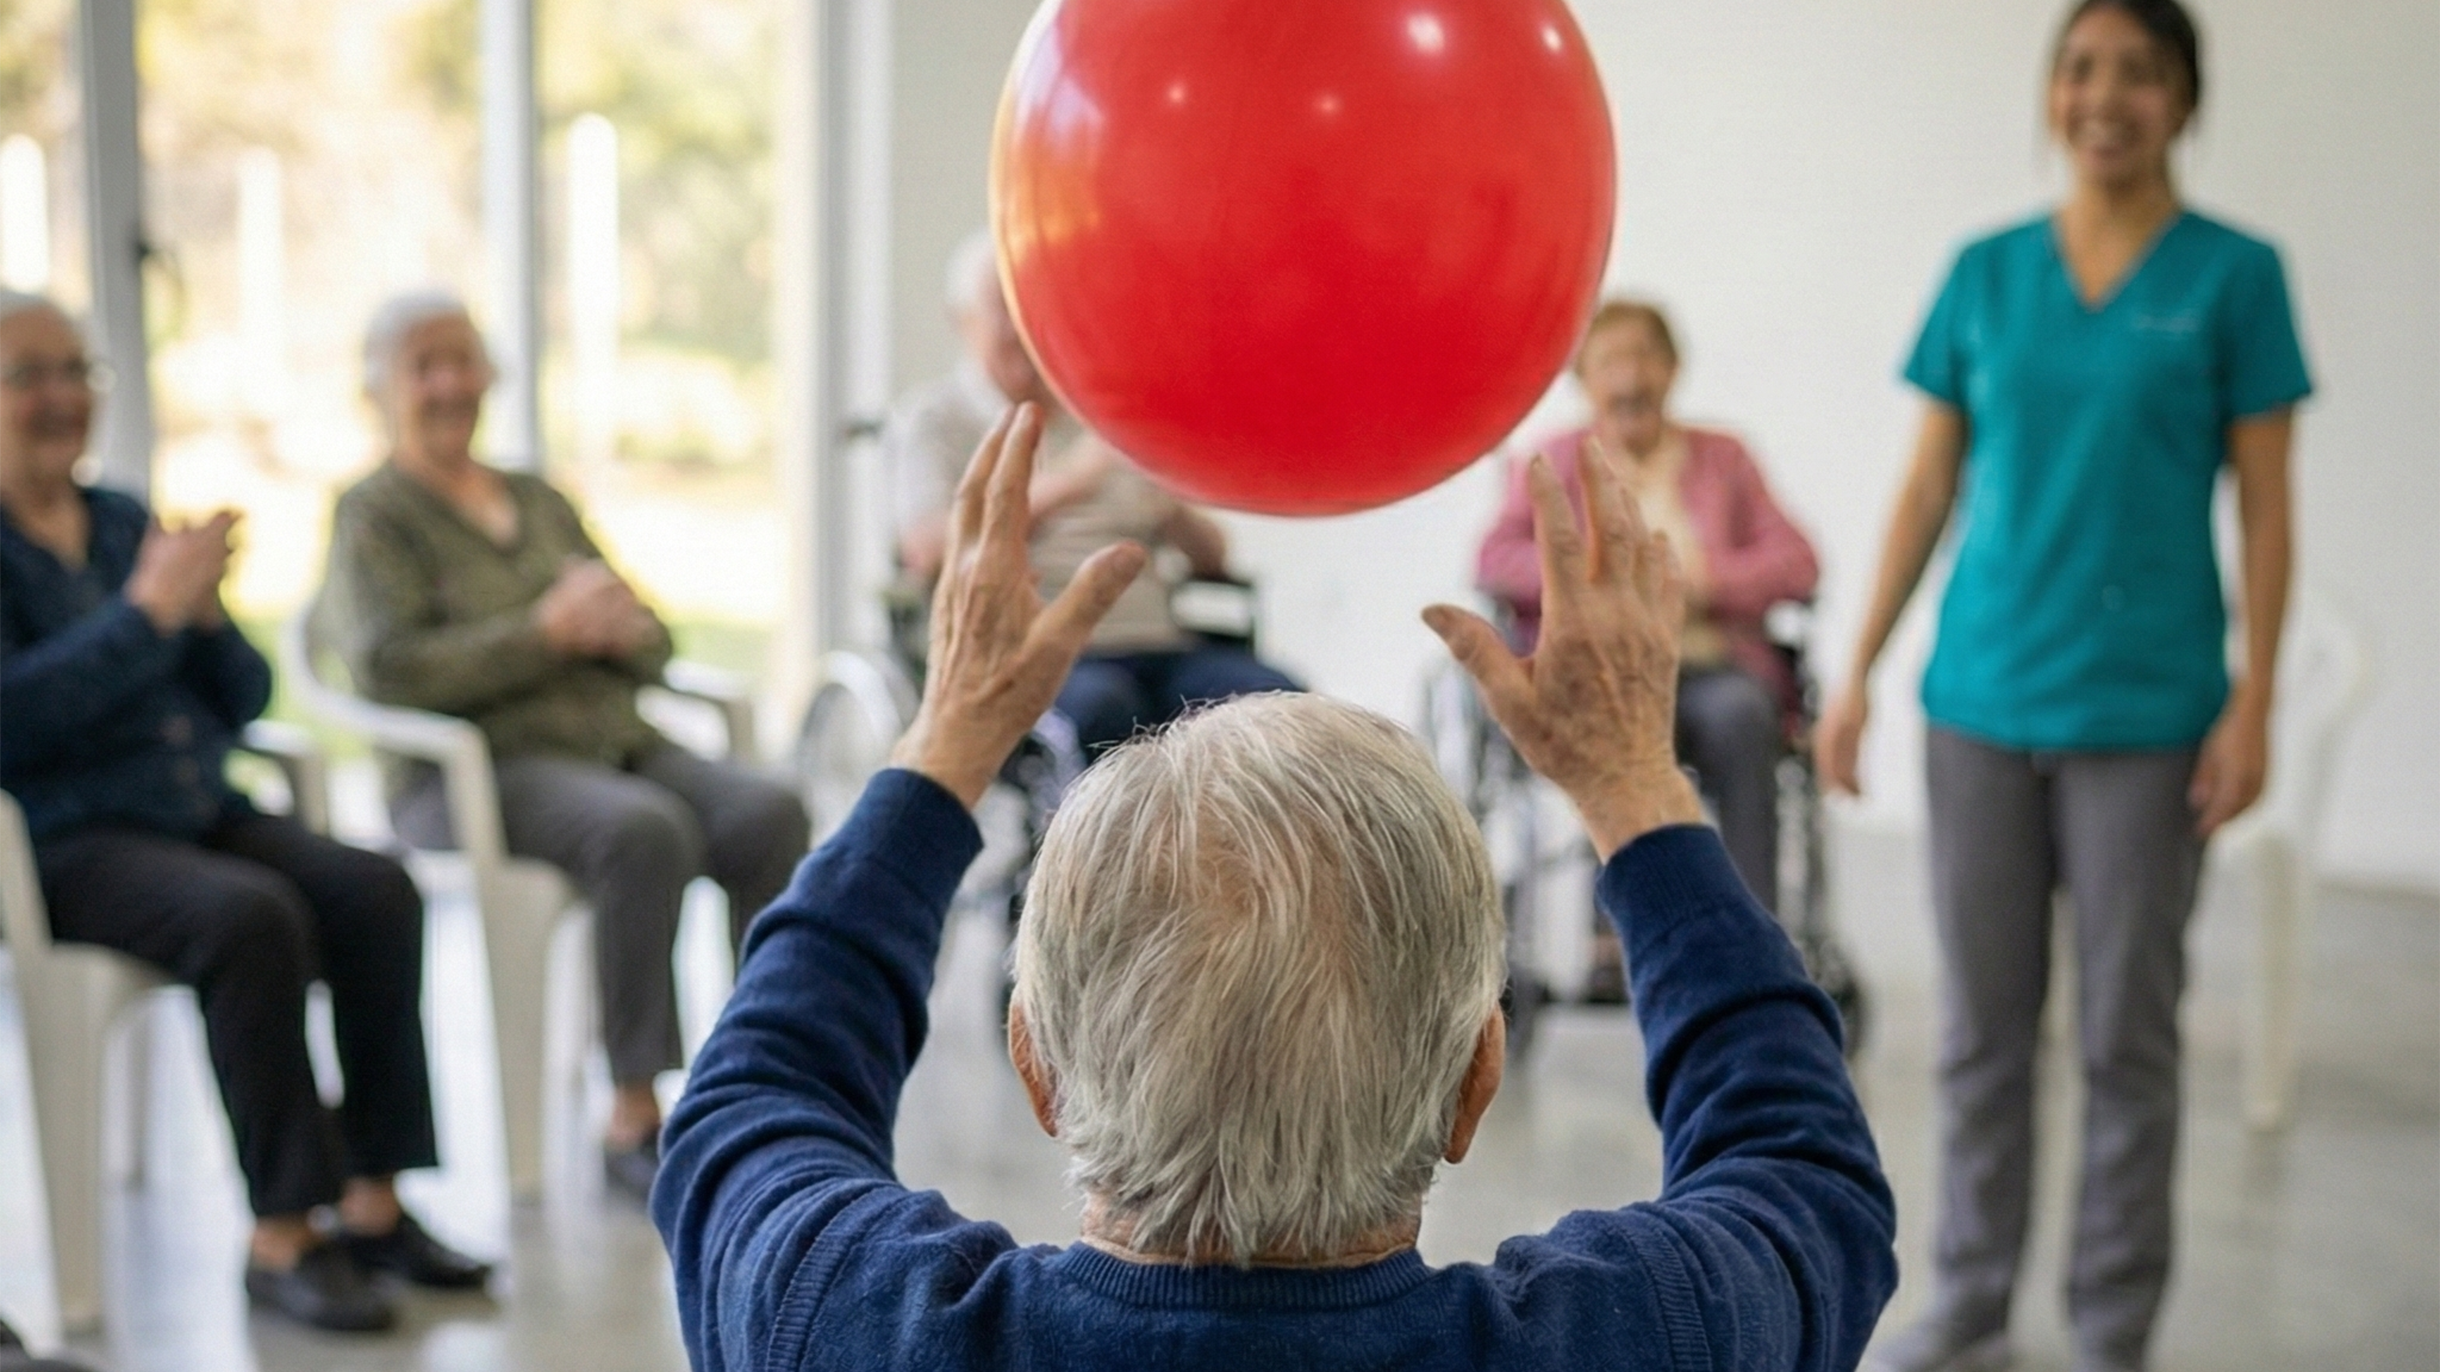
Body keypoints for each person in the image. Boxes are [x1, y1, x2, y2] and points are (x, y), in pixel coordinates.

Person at [652, 404, 1896, 1369]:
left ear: (1039, 1064)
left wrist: (942, 751)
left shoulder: (856, 1328)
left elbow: (747, 1106)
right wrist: (1634, 787)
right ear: (1476, 1082)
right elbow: (1799, 1170)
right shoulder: (1636, 1340)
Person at [1811, 5, 2311, 1370]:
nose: (2107, 96)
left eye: (2141, 73)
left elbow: (2268, 509)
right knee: (1978, 1035)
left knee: (2125, 1042)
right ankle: (1968, 1295)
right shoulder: (1985, 272)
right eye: (2082, 69)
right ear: (2050, 97)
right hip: (1978, 701)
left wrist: (2255, 698)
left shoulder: (2236, 278)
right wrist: (1855, 671)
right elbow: (1926, 486)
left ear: (2184, 102)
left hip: (2149, 720)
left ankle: (2109, 1322)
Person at [0, 290, 489, 1332]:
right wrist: (144, 617)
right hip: (63, 839)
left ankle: (374, 1202)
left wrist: (207, 615)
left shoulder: (123, 518)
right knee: (247, 917)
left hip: (195, 807)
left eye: (75, 372)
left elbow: (240, 699)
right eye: (28, 375)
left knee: (373, 888)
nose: (60, 398)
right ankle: (283, 1233)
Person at [315, 291, 811, 1202]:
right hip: (477, 771)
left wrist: (619, 630)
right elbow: (386, 668)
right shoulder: (373, 513)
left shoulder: (536, 499)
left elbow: (656, 637)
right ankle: (634, 1110)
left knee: (769, 812)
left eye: (464, 360)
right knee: (642, 832)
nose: (450, 382)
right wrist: (541, 634)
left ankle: (764, 1076)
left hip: (614, 741)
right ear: (380, 388)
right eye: (425, 364)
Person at [887, 232, 1299, 756]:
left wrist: (1170, 495)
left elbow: (1215, 558)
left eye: (1035, 307)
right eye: (1004, 308)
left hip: (1159, 643)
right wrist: (1072, 481)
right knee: (1107, 710)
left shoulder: (1104, 411)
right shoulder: (936, 421)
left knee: (1279, 703)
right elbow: (929, 548)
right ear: (962, 320)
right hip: (1033, 653)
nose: (1023, 326)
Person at [1479, 299, 1820, 915]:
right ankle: (1622, 926)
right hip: (1598, 675)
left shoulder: (1725, 458)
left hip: (1711, 671)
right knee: (1608, 728)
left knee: (1746, 718)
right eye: (1610, 361)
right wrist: (1587, 577)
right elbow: (1495, 559)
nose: (1630, 377)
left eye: (1644, 357)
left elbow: (1798, 560)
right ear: (1583, 380)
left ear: (1672, 370)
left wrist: (1706, 581)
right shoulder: (1552, 459)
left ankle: (1751, 931)